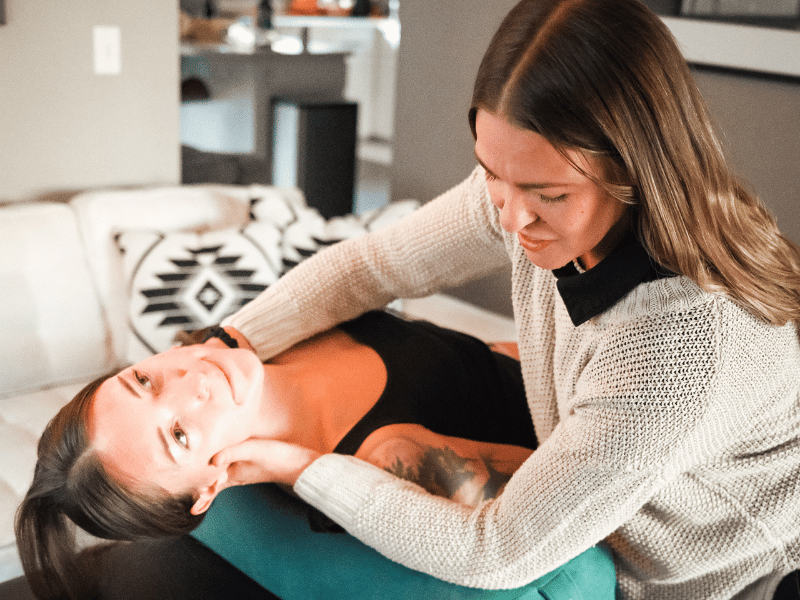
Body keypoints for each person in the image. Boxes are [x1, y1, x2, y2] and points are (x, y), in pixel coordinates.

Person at [196, 0, 800, 598]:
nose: (510, 218)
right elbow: (372, 264)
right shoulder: (526, 187)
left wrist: (300, 468)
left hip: (746, 576)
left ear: (635, 169)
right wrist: (226, 344)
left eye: (547, 195)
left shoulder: (677, 348)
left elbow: (494, 551)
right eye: (490, 172)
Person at [16, 310, 553, 600]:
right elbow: (558, 485)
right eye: (179, 435)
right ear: (210, 486)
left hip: (544, 338)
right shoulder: (385, 455)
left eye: (144, 380)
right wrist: (297, 467)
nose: (192, 382)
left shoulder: (255, 331)